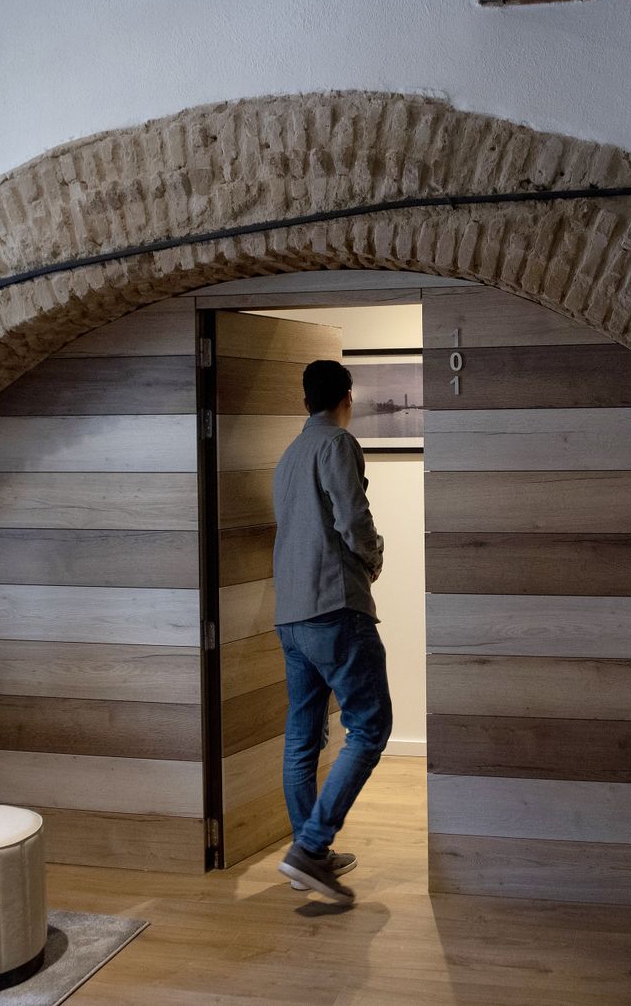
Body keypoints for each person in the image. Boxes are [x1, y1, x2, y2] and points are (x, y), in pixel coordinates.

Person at [271, 359, 392, 905]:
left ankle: (309, 854)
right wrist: (374, 559)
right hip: (334, 607)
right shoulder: (337, 444)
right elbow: (352, 519)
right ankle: (311, 847)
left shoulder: (290, 455)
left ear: (305, 402)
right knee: (370, 727)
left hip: (292, 615)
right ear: (347, 398)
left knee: (302, 737)